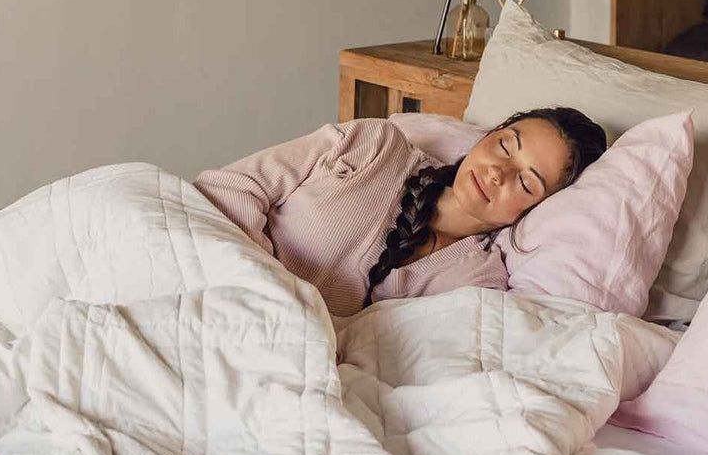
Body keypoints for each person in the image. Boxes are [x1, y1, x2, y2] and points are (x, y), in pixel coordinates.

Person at [193, 108, 607, 318]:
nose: (498, 173)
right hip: (204, 278)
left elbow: (385, 363)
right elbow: (229, 190)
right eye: (504, 145)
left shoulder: (474, 283)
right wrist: (258, 289)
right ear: (489, 135)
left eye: (526, 182)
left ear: (540, 209)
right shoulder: (376, 145)